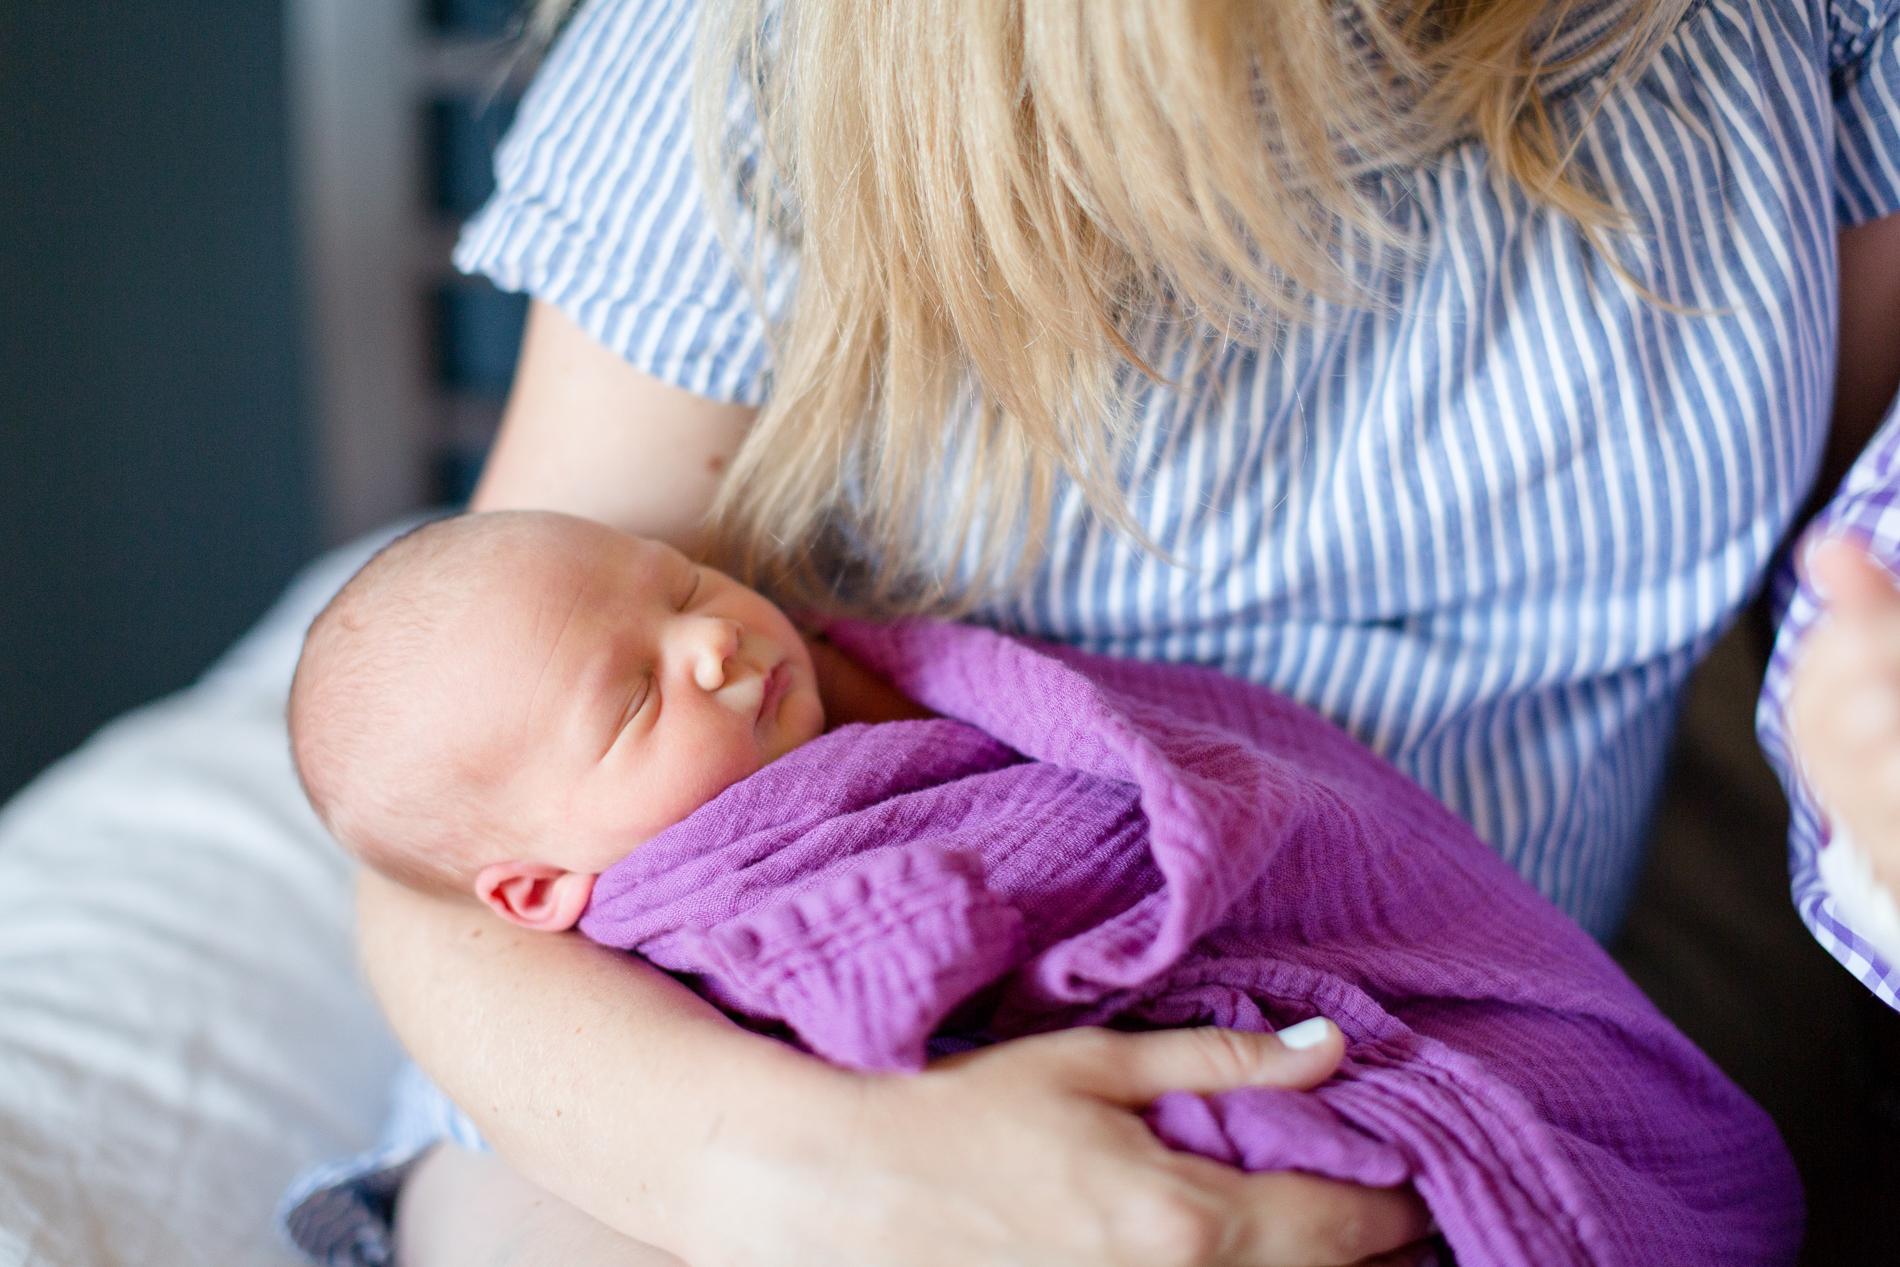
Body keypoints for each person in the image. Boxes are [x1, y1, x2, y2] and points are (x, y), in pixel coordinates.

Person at [334, 0, 1900, 1263]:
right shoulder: (756, 57)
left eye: (693, 612)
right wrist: (797, 1172)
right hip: (699, 1118)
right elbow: (457, 856)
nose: (716, 647)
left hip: (1413, 1038)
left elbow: (1848, 578)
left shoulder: (1810, 37)